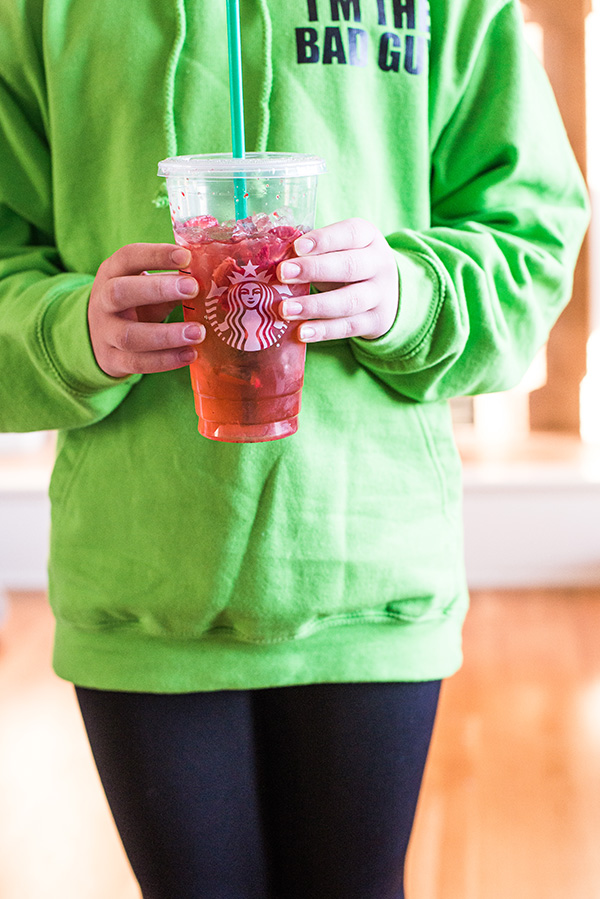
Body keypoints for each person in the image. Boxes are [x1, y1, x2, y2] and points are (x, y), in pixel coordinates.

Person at [0, 1, 589, 897]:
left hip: (368, 576)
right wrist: (67, 329)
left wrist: (411, 294)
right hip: (143, 580)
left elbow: (531, 229)